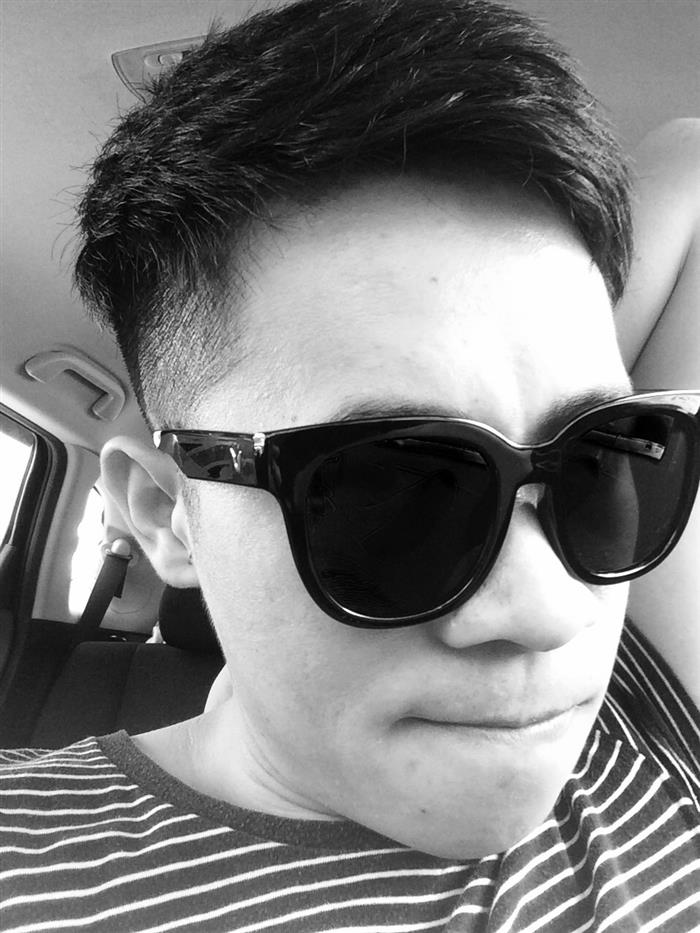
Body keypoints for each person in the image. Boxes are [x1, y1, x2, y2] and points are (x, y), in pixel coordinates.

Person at [1, 0, 698, 930]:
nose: (550, 612)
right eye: (393, 493)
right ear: (170, 511)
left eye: (599, 466)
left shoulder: (656, 732)